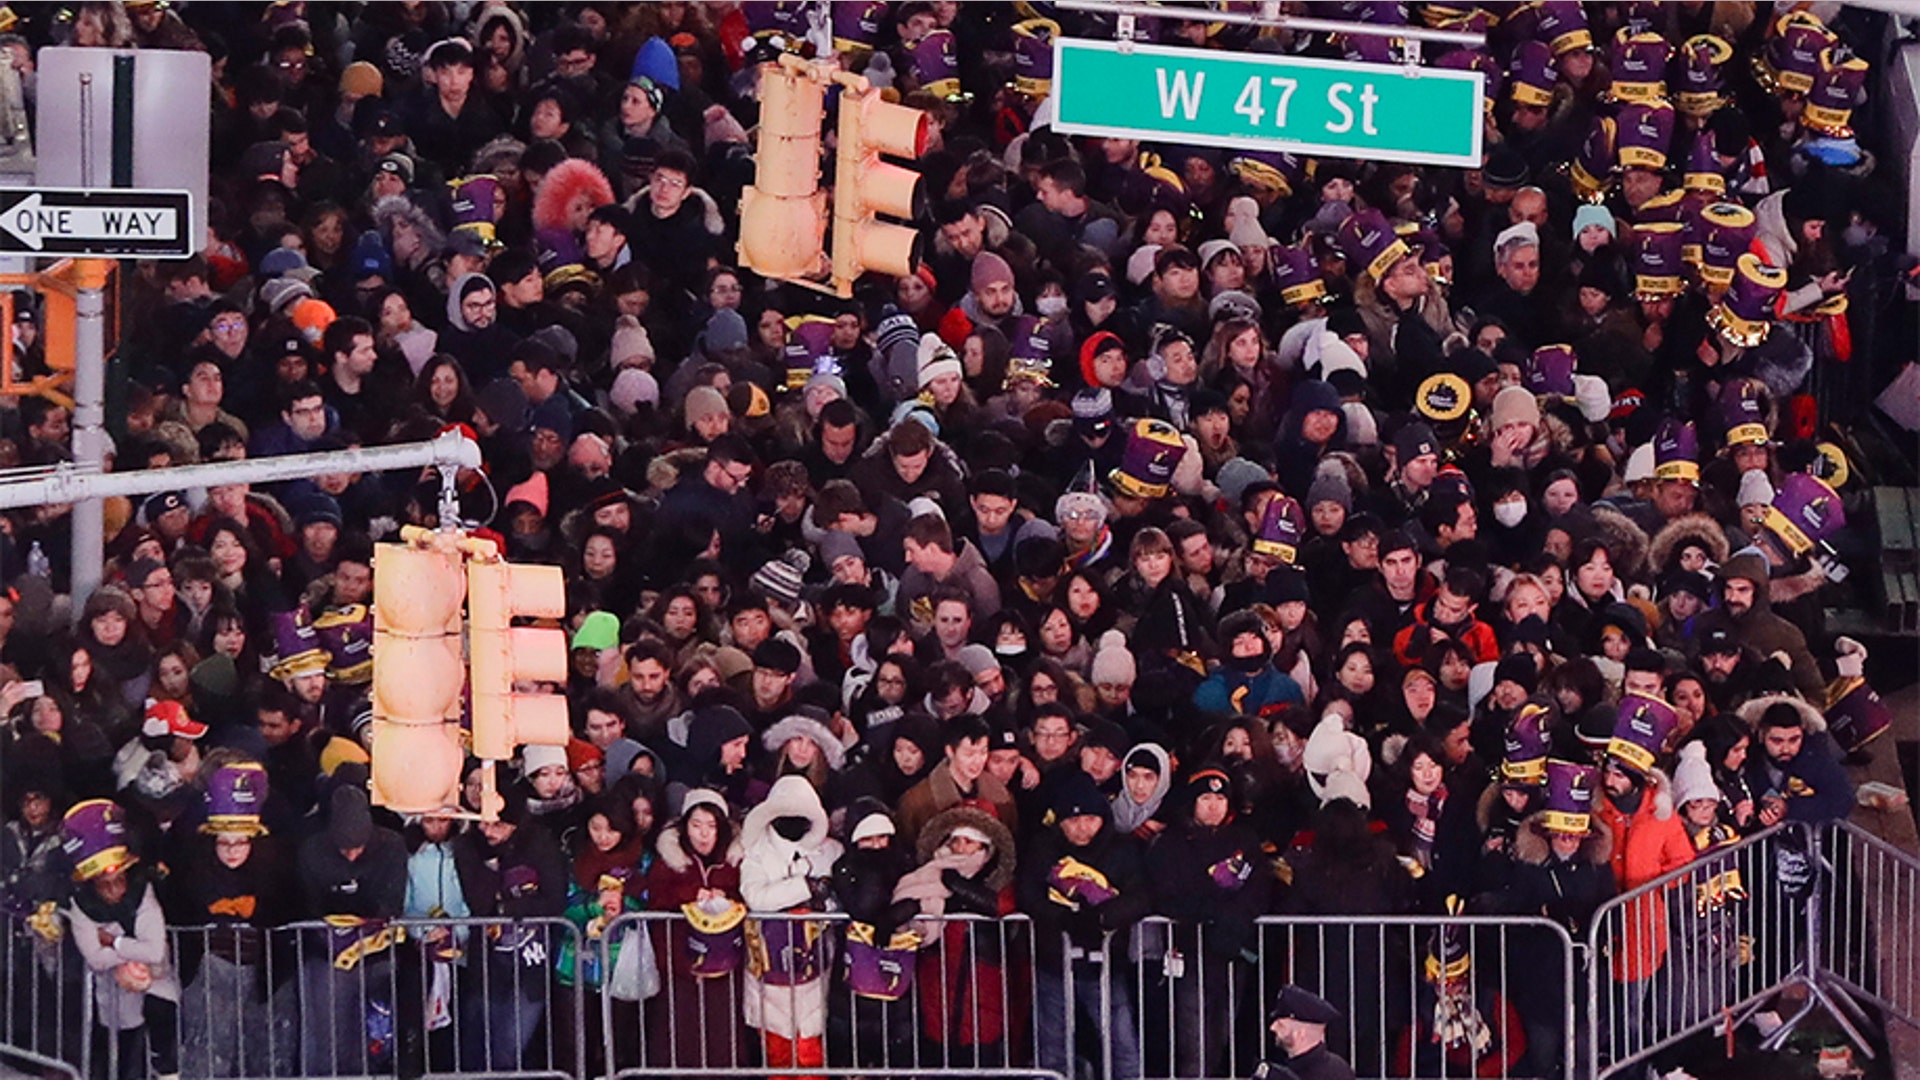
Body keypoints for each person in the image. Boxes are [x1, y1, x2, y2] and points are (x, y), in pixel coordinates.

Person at [1261, 984, 1354, 1080]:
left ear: (1301, 1034)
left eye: (1281, 1025)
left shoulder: (1334, 1074)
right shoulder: (1279, 1069)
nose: (1272, 1028)